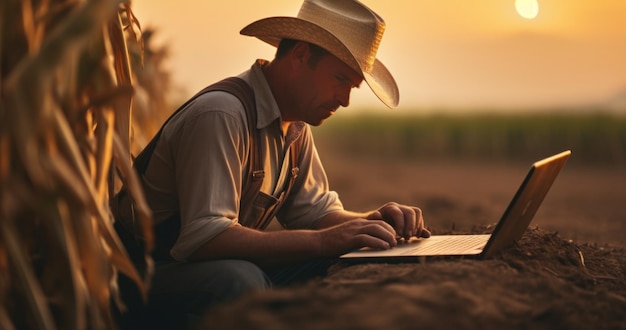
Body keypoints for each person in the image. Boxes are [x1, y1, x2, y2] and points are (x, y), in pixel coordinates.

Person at [116, 0, 430, 328]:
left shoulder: (294, 124)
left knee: (353, 256)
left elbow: (316, 213)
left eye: (352, 87)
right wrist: (326, 241)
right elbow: (204, 238)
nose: (345, 100)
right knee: (239, 279)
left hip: (196, 270)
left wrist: (372, 222)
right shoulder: (221, 115)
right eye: (339, 79)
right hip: (139, 277)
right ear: (300, 56)